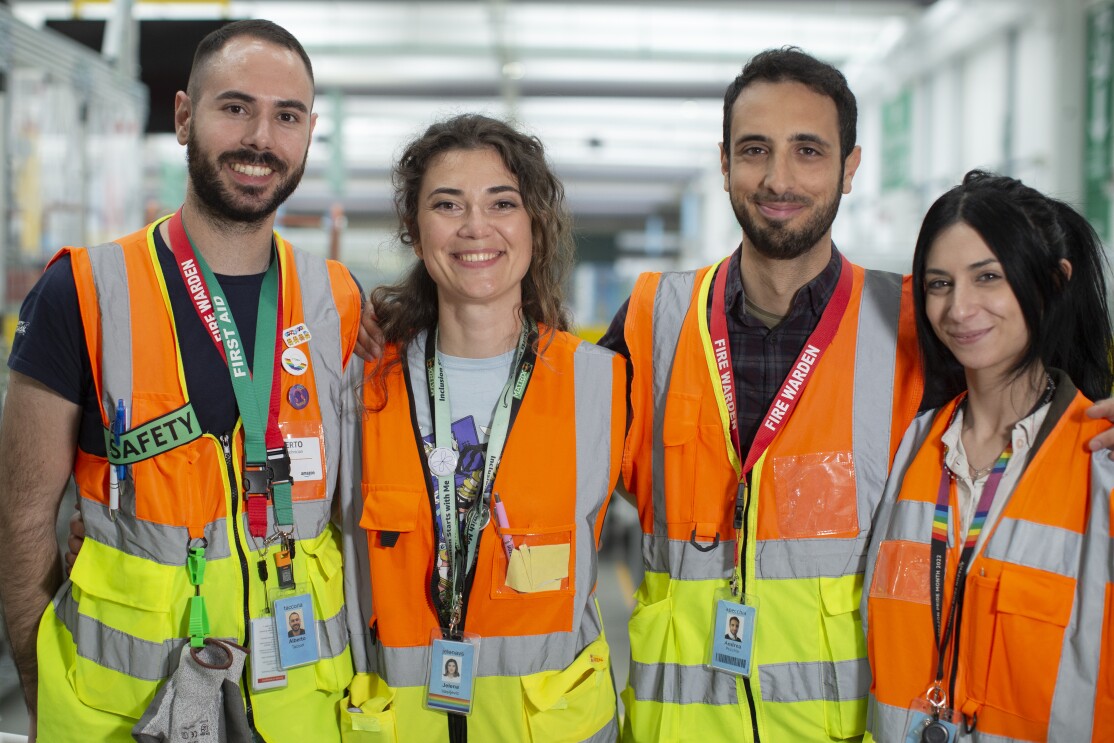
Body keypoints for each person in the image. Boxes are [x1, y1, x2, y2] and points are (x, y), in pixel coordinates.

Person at [0, 20, 362, 742]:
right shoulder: (84, 289)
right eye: (235, 107)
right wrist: (43, 689)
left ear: (308, 133)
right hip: (117, 711)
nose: (261, 137)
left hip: (300, 707)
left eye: (286, 116)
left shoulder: (338, 300)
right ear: (184, 117)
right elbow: (21, 515)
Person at [599, 47, 924, 742]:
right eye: (755, 150)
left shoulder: (912, 328)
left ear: (851, 166)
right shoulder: (653, 318)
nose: (779, 178)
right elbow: (537, 428)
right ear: (724, 164)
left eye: (808, 150)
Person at [339, 114, 625, 742]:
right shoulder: (360, 383)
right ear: (415, 230)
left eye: (502, 203)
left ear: (534, 227)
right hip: (398, 726)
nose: (475, 227)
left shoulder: (603, 383)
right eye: (448, 204)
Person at [863, 171, 1114, 741]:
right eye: (939, 283)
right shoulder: (911, 448)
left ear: (1053, 283)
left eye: (988, 277)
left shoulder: (1101, 460)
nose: (959, 307)